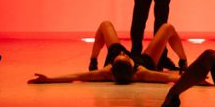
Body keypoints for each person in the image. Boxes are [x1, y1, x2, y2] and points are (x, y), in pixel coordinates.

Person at [27, 20, 188, 84]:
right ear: (132, 66)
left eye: (120, 55)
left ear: (111, 65)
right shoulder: (143, 73)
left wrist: (48, 80)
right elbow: (173, 78)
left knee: (105, 24)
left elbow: (76, 76)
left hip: (123, 64)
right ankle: (183, 60)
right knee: (167, 28)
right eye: (124, 55)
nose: (124, 53)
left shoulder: (106, 72)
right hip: (146, 62)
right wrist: (197, 78)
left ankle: (93, 59)